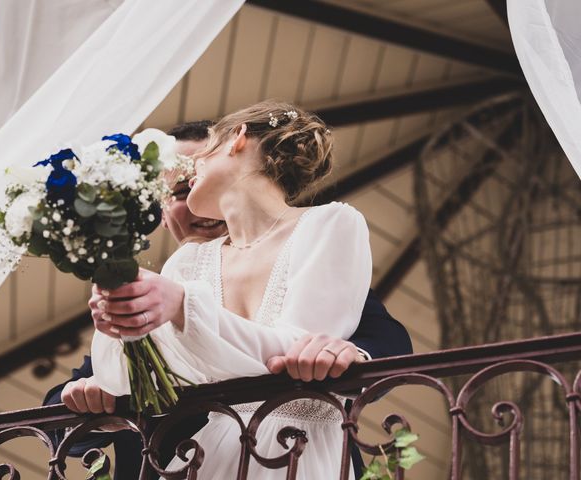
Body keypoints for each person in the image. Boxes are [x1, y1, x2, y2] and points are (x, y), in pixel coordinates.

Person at [44, 119, 412, 479]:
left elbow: (387, 343)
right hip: (189, 462)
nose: (189, 197)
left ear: (235, 142)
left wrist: (353, 358)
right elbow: (91, 393)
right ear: (158, 213)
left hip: (301, 453)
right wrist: (98, 387)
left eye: (194, 175)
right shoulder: (182, 267)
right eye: (175, 193)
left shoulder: (319, 243)